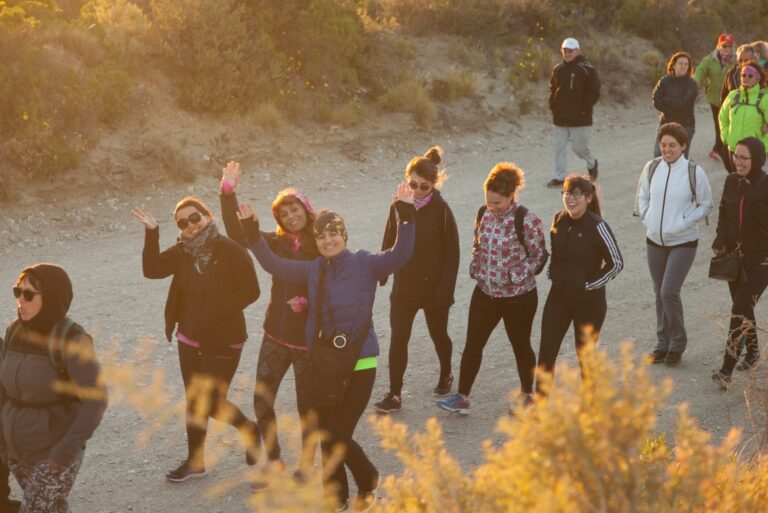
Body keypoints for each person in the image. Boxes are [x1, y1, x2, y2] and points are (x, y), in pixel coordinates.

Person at [237, 184, 415, 512]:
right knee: (327, 434)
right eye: (321, 236)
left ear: (344, 235)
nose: (328, 240)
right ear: (316, 241)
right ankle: (336, 499)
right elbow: (272, 263)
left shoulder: (365, 263)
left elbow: (400, 254)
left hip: (360, 362)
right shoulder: (314, 269)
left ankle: (368, 478)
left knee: (338, 434)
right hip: (324, 363)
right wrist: (250, 229)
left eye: (334, 234)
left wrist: (405, 216)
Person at [131, 197, 262, 482]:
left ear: (206, 215)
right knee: (194, 401)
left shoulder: (230, 249)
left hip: (224, 338)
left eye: (194, 218)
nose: (190, 225)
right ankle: (196, 461)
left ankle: (249, 429)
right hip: (189, 337)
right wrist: (152, 233)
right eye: (183, 222)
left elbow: (251, 290)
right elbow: (151, 270)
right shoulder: (182, 251)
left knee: (211, 401)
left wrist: (217, 310)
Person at [218, 161, 318, 483]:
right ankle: (274, 461)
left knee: (307, 407)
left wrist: (308, 302)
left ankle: (307, 465)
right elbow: (238, 234)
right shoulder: (276, 243)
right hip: (276, 334)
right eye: (283, 213)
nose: (290, 216)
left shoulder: (324, 244)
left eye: (294, 209)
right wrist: (228, 193)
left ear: (306, 209)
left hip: (308, 341)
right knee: (261, 401)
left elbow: (335, 286)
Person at [437, 163, 547, 414]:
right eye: (488, 202)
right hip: (485, 293)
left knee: (520, 345)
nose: (492, 207)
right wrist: (476, 266)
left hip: (518, 297)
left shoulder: (526, 219)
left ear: (511, 196)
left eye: (497, 203)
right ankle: (462, 397)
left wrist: (512, 275)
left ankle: (527, 396)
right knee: (473, 344)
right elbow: (477, 244)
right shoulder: (482, 213)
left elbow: (539, 255)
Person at [0, 264, 108, 512]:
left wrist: (62, 455)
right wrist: (4, 443)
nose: (21, 300)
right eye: (18, 292)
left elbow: (96, 400)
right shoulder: (13, 331)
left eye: (29, 295)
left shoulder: (72, 339)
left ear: (51, 298)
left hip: (52, 456)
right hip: (17, 453)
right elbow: (4, 390)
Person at [374, 147, 460, 414]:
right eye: (413, 184)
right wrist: (382, 271)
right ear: (406, 180)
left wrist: (446, 289)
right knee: (399, 338)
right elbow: (389, 237)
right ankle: (395, 394)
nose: (418, 190)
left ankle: (446, 372)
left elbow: (452, 253)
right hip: (405, 287)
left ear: (434, 185)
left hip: (435, 290)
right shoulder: (399, 205)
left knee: (438, 335)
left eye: (425, 186)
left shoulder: (442, 211)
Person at [636, 123, 714, 367]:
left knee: (668, 292)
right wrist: (648, 218)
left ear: (683, 146)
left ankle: (677, 344)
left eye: (672, 145)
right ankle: (663, 344)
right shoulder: (651, 167)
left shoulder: (694, 172)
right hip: (654, 241)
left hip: (684, 242)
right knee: (659, 293)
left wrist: (683, 223)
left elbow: (706, 204)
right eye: (663, 145)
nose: (667, 150)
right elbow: (642, 197)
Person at [536, 175, 622, 392]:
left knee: (585, 356)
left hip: (589, 302)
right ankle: (540, 404)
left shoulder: (598, 226)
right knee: (547, 351)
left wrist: (589, 285)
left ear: (588, 198)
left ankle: (590, 406)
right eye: (566, 193)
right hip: (558, 297)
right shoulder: (559, 219)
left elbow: (616, 263)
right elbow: (556, 252)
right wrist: (552, 272)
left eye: (576, 194)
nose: (570, 199)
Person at [711, 137, 768, 389]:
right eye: (736, 156)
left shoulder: (765, 184)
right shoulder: (731, 180)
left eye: (745, 158)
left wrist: (752, 197)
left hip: (761, 262)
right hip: (736, 258)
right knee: (744, 308)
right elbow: (724, 213)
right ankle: (753, 351)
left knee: (739, 308)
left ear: (757, 160)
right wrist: (720, 239)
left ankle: (726, 370)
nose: (738, 161)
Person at [547, 36, 601, 188]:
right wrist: (552, 105)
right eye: (565, 50)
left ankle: (591, 163)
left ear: (578, 51)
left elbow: (594, 90)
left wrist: (585, 108)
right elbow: (552, 88)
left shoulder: (587, 69)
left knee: (579, 149)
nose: (568, 53)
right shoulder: (558, 69)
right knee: (559, 147)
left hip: (580, 118)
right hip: (560, 117)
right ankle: (559, 177)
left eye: (571, 51)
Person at [719, 62, 768, 173]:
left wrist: (763, 146)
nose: (745, 78)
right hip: (733, 149)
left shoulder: (765, 99)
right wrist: (726, 137)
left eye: (750, 76)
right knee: (735, 177)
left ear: (758, 79)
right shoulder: (733, 95)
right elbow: (722, 117)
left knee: (752, 181)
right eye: (743, 75)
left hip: (753, 152)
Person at [694, 33, 735, 162]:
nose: (727, 48)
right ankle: (718, 149)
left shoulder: (736, 60)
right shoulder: (710, 60)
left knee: (731, 123)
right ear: (719, 46)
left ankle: (725, 148)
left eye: (729, 46)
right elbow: (700, 72)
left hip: (732, 99)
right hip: (715, 98)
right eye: (724, 45)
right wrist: (694, 85)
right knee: (719, 124)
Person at [652, 52, 698, 158]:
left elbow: (684, 103)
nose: (683, 66)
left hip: (685, 125)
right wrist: (669, 109)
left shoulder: (692, 84)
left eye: (686, 64)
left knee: (680, 157)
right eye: (680, 63)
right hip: (666, 123)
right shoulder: (664, 81)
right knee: (658, 154)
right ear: (673, 65)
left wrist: (667, 100)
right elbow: (656, 99)